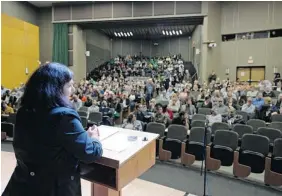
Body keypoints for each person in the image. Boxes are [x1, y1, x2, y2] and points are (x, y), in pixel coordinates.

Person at [3, 63, 103, 196]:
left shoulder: (24, 111)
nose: (72, 90)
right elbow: (90, 153)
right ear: (54, 88)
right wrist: (94, 138)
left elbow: (49, 143)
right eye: (69, 85)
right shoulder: (64, 116)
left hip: (22, 185)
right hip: (54, 189)